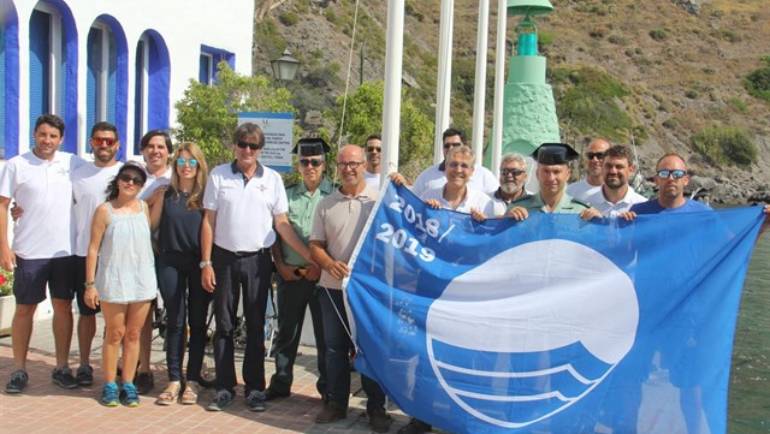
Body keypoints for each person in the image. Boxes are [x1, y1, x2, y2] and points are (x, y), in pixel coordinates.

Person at [201, 122, 313, 412]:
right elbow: (208, 222)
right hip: (224, 259)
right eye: (242, 144)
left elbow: (282, 224)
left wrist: (310, 256)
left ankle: (254, 389)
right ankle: (225, 387)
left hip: (258, 261)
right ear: (234, 146)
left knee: (255, 325)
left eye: (252, 145)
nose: (247, 150)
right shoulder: (219, 175)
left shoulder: (273, 179)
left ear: (261, 149)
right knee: (224, 325)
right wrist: (206, 262)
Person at [309, 145, 392, 433]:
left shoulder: (379, 202)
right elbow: (315, 246)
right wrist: (329, 264)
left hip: (366, 293)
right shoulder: (325, 204)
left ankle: (376, 408)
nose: (349, 169)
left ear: (364, 164)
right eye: (343, 164)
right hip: (331, 289)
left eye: (354, 163)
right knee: (334, 350)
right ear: (337, 167)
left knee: (368, 350)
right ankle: (335, 404)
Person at [0, 114, 85, 393]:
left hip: (65, 251)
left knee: (63, 307)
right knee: (25, 309)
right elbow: (3, 206)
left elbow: (103, 175)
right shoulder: (16, 164)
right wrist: (3, 246)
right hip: (29, 250)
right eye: (42, 134)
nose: (47, 140)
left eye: (53, 136)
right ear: (34, 134)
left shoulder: (72, 163)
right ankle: (19, 369)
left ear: (61, 139)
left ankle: (61, 367)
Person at [84, 163, 156, 407]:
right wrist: (90, 284)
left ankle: (128, 383)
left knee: (134, 334)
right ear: (118, 180)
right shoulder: (105, 211)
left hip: (141, 280)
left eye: (137, 180)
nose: (130, 183)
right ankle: (110, 384)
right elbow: (93, 248)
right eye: (126, 178)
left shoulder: (144, 207)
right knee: (115, 334)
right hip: (113, 280)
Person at [265, 138, 330, 402]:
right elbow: (276, 233)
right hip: (291, 275)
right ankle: (280, 383)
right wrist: (280, 265)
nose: (310, 166)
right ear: (298, 165)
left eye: (315, 162)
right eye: (304, 162)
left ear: (324, 165)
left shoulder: (334, 195)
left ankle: (328, 389)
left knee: (326, 337)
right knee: (286, 333)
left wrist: (321, 267)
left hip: (323, 278)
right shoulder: (286, 194)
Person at [148, 142, 211, 406]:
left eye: (191, 161)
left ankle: (193, 380)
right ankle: (174, 379)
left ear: (199, 165)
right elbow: (147, 225)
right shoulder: (165, 193)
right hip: (170, 263)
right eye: (181, 161)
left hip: (198, 264)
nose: (186, 166)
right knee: (174, 321)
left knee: (197, 323)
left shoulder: (208, 196)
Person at [135, 130, 173, 395]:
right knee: (142, 315)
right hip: (140, 255)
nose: (155, 151)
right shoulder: (134, 177)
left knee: (177, 314)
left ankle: (177, 373)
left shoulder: (178, 175)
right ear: (143, 150)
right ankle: (143, 368)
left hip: (172, 255)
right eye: (150, 146)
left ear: (168, 151)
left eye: (161, 146)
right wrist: (152, 199)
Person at [507, 143, 601, 221]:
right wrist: (506, 221)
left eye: (556, 172)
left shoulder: (581, 212)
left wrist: (598, 223)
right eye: (546, 171)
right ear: (537, 174)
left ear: (567, 174)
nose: (551, 178)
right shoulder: (518, 208)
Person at [408, 128, 498, 197]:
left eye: (455, 145)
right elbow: (412, 202)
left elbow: (497, 204)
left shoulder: (484, 175)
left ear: (465, 146)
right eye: (447, 146)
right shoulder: (427, 176)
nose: (451, 149)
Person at [584, 145, 647, 217]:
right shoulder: (585, 202)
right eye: (608, 166)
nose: (613, 171)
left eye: (619, 166)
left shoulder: (643, 205)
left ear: (631, 169)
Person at [566, 138, 611, 202]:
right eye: (590, 156)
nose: (595, 160)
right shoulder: (569, 192)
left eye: (600, 155)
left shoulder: (619, 193)